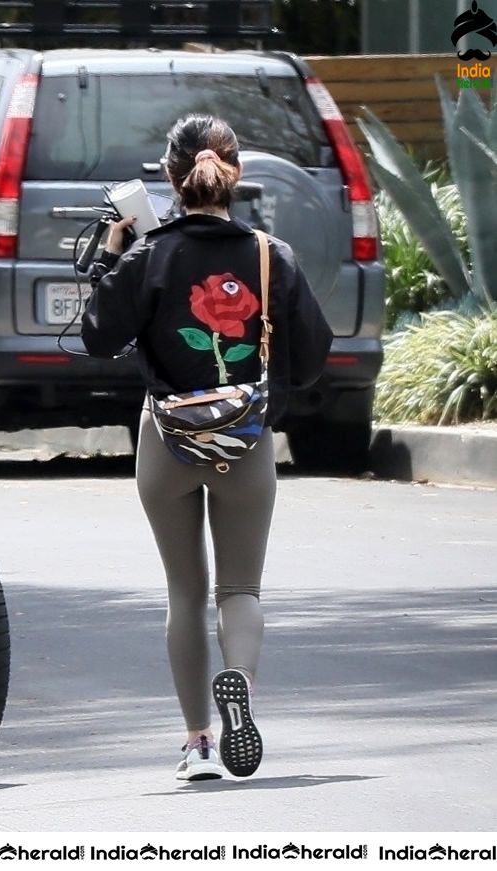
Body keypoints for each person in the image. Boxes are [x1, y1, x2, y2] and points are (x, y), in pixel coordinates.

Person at [81, 114, 333, 781]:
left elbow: (97, 337)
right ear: (236, 175)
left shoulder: (149, 254)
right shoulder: (269, 255)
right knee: (240, 586)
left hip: (164, 441)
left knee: (183, 591)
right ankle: (240, 688)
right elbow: (310, 360)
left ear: (170, 178)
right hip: (245, 441)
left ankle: (195, 744)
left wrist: (114, 246)